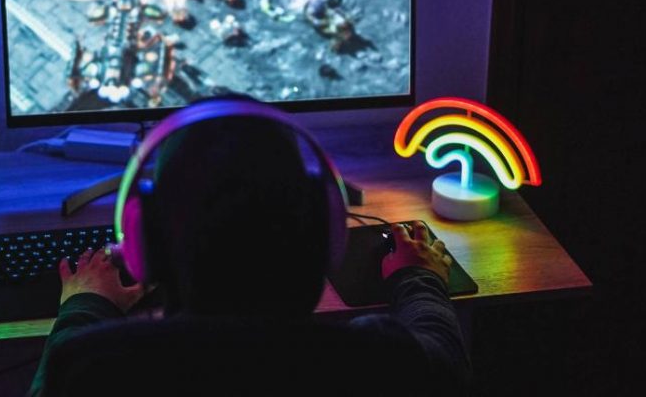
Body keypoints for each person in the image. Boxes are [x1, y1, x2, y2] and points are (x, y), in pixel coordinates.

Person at [28, 101, 471, 396]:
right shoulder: (379, 360)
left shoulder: (94, 366)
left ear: (143, 246)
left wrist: (84, 306)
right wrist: (419, 279)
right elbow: (444, 358)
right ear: (328, 232)